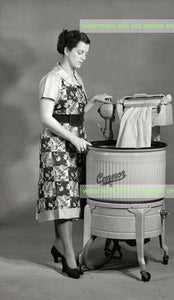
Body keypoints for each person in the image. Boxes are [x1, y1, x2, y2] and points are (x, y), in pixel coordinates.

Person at [36, 29, 112, 279]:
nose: (84, 57)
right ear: (66, 50)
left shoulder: (76, 77)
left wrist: (93, 101)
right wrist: (72, 138)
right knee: (64, 199)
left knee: (72, 197)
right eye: (80, 52)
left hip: (75, 142)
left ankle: (59, 245)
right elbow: (47, 117)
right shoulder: (52, 79)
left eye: (86, 53)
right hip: (58, 145)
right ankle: (69, 255)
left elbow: (74, 112)